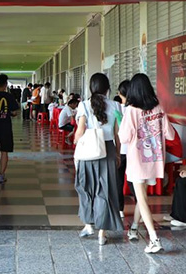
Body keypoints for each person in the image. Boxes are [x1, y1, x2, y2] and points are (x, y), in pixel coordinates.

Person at [119, 73, 174, 254]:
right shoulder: (158, 108)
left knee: (141, 198)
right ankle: (134, 228)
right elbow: (170, 135)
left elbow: (124, 137)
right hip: (155, 161)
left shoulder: (131, 110)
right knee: (142, 197)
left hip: (137, 160)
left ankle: (154, 239)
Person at [74, 73, 124, 246]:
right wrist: (117, 153)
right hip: (107, 149)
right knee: (105, 190)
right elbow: (117, 134)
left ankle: (88, 225)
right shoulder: (116, 105)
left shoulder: (84, 105)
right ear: (107, 88)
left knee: (86, 186)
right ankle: (102, 233)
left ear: (91, 87)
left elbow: (80, 131)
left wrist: (76, 142)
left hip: (88, 150)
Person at [114, 80, 131, 220]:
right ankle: (141, 208)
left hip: (122, 149)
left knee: (119, 180)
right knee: (134, 181)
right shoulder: (138, 108)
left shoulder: (118, 108)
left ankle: (120, 209)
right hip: (134, 150)